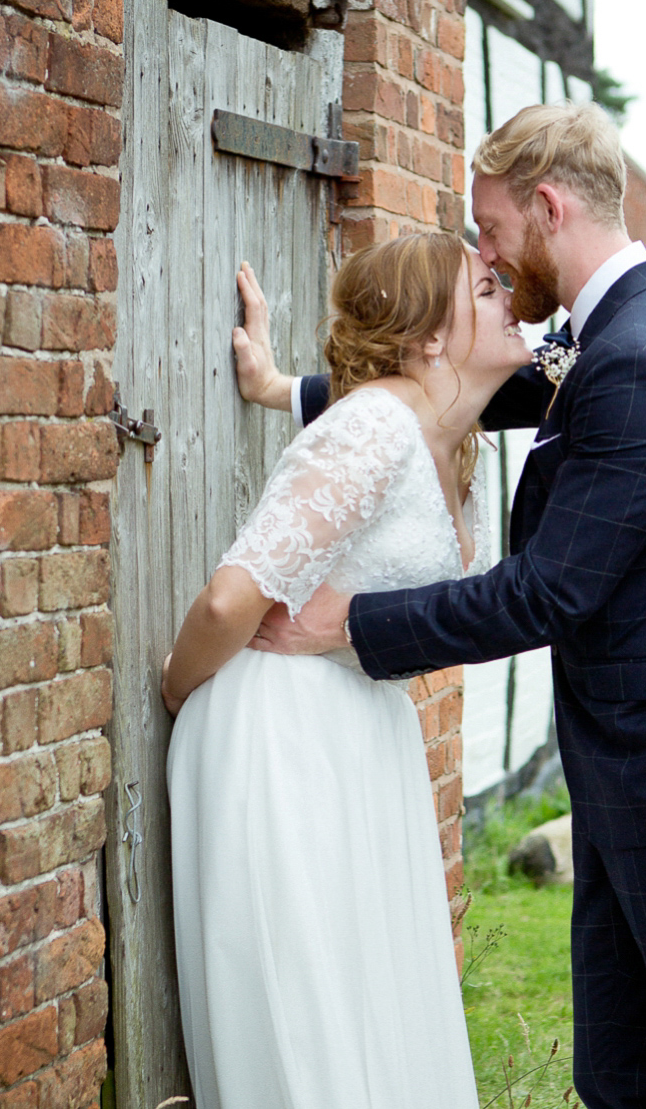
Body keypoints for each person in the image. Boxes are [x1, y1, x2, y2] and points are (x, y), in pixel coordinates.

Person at [249, 103, 646, 1109]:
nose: (486, 252)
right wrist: (286, 390)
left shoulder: (641, 354)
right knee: (624, 1078)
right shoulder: (621, 324)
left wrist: (347, 624)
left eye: (492, 229)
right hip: (634, 768)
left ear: (549, 205)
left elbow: (548, 590)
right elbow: (485, 389)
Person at [160, 232, 532, 1109]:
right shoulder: (372, 425)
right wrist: (179, 691)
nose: (511, 295)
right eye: (487, 287)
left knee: (372, 996)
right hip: (283, 736)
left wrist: (273, 386)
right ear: (431, 336)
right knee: (309, 1007)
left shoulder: (454, 447)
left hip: (365, 736)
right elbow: (229, 600)